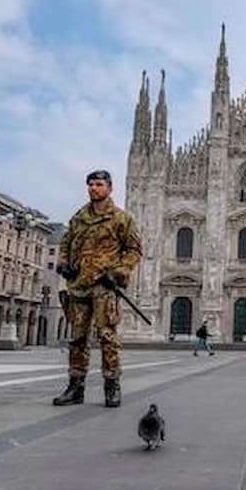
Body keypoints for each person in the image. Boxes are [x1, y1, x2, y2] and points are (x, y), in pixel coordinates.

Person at [53, 170, 143, 408]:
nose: (94, 188)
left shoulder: (121, 218)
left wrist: (119, 272)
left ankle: (112, 385)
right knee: (77, 338)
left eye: (99, 184)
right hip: (80, 286)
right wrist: (63, 265)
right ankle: (75, 387)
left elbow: (134, 250)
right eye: (91, 184)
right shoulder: (79, 218)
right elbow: (65, 242)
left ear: (109, 188)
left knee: (107, 337)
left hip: (104, 287)